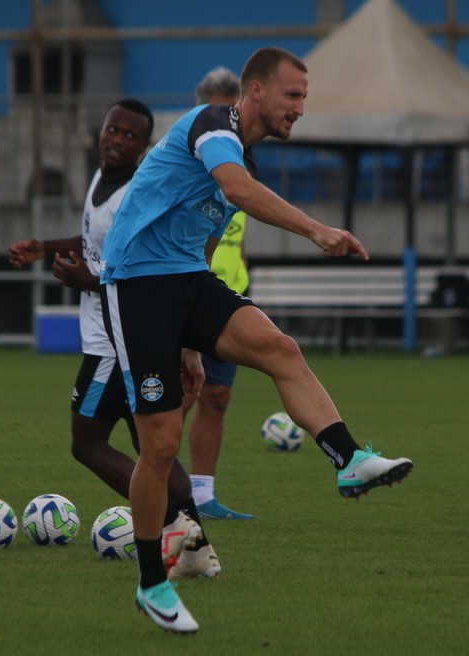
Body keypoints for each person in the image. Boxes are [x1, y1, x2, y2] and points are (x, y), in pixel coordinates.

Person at [99, 47, 413, 633]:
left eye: (304, 99)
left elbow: (207, 240)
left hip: (187, 280)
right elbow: (237, 190)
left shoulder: (239, 153)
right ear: (256, 92)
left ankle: (349, 460)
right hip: (136, 286)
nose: (300, 109)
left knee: (281, 349)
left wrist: (193, 343)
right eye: (293, 96)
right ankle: (150, 583)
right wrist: (317, 229)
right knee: (161, 446)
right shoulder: (214, 125)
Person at [7, 99, 218, 579]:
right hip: (129, 338)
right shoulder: (102, 180)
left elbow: (141, 271)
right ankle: (196, 547)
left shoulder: (134, 196)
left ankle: (166, 523)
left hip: (114, 337)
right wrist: (46, 248)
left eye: (129, 135)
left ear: (143, 148)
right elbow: (94, 245)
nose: (117, 139)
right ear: (99, 131)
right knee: (154, 449)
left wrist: (89, 280)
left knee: (86, 443)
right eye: (112, 129)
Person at [181, 66, 252, 520]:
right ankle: (161, 487)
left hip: (229, 294)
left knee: (218, 397)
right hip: (188, 293)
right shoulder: (188, 159)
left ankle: (203, 495)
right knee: (181, 395)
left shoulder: (239, 161)